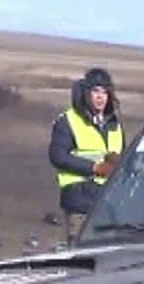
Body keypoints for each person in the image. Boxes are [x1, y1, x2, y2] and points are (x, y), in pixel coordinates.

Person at [49, 67, 125, 239]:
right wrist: (94, 167)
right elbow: (58, 156)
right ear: (86, 93)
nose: (100, 97)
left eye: (105, 92)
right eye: (96, 91)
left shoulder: (115, 125)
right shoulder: (68, 121)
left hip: (107, 203)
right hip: (79, 200)